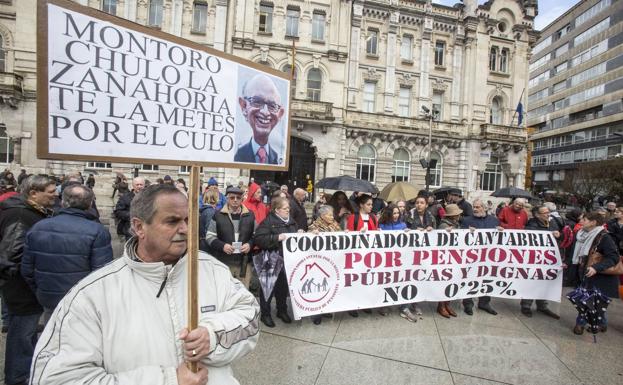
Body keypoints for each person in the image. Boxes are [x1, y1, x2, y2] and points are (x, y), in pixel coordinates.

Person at [30, 184, 259, 385]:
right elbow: (56, 377)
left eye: (188, 220)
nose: (184, 229)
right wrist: (168, 380)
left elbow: (250, 317)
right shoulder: (92, 294)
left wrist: (214, 335)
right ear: (139, 227)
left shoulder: (213, 270)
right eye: (172, 221)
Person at [21, 184, 113, 322]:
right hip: (82, 300)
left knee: (52, 336)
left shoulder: (39, 227)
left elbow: (27, 269)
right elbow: (102, 273)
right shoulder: (98, 231)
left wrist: (41, 291)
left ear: (63, 202)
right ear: (89, 204)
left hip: (50, 297)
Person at [0, 175, 56, 385]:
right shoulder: (21, 214)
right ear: (33, 193)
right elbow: (12, 256)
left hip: (25, 285)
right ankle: (17, 378)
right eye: (50, 192)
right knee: (22, 334)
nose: (55, 195)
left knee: (27, 333)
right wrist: (32, 280)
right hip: (21, 286)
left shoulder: (31, 212)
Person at [572, 211, 620, 334]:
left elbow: (613, 257)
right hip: (583, 273)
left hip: (599, 277)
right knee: (586, 300)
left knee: (591, 302)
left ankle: (580, 324)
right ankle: (601, 323)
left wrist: (596, 268)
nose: (581, 221)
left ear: (593, 222)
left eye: (585, 219)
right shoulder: (581, 234)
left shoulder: (604, 237)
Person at [253, 197, 299, 327]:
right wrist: (276, 238)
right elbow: (259, 239)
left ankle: (282, 310)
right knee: (267, 288)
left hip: (286, 260)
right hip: (271, 259)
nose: (288, 210)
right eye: (285, 209)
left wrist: (300, 232)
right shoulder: (268, 222)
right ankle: (265, 314)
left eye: (288, 208)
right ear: (277, 210)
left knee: (282, 287)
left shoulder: (291, 221)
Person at [206, 186, 255, 287]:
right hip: (224, 262)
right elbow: (209, 236)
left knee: (243, 295)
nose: (235, 200)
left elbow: (256, 235)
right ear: (227, 198)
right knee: (224, 294)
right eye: (232, 197)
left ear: (242, 199)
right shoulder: (218, 215)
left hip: (244, 264)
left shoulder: (250, 215)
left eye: (238, 197)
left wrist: (250, 244)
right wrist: (222, 246)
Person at [460, 199, 502, 316]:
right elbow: (460, 237)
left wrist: (500, 231)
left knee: (487, 278)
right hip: (471, 257)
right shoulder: (466, 220)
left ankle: (484, 303)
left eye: (478, 207)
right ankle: (468, 304)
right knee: (469, 279)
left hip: (488, 257)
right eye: (474, 206)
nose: (475, 209)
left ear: (484, 208)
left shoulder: (494, 221)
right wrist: (466, 232)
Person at [521, 205, 561, 319]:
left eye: (548, 212)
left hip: (548, 259)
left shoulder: (552, 223)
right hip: (535, 259)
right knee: (532, 281)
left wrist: (558, 235)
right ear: (537, 215)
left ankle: (542, 306)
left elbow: (559, 237)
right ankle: (526, 306)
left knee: (545, 282)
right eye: (545, 213)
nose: (548, 214)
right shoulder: (532, 225)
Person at [235, 74, 285, 164]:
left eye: (272, 106)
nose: (265, 112)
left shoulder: (277, 158)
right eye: (257, 102)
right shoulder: (237, 155)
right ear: (243, 106)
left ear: (280, 114)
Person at [344, 194, 379, 317]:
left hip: (370, 254)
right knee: (355, 280)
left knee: (367, 279)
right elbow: (348, 236)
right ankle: (352, 305)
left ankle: (364, 303)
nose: (371, 207)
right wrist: (359, 233)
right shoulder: (353, 217)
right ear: (361, 205)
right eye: (368, 204)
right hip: (356, 254)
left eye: (371, 205)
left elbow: (376, 235)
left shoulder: (374, 217)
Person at [308, 205, 341, 325]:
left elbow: (341, 236)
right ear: (322, 216)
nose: (332, 217)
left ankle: (325, 309)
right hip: (319, 262)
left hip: (332, 261)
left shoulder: (335, 225)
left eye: (332, 215)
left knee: (328, 286)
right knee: (317, 287)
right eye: (330, 215)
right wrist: (312, 234)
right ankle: (316, 313)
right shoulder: (314, 226)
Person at [436, 204, 462, 318]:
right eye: (457, 214)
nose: (459, 215)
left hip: (454, 257)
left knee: (452, 281)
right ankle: (441, 305)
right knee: (444, 282)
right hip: (445, 258)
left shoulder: (455, 224)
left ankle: (447, 304)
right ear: (454, 215)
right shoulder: (443, 225)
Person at [113, 176, 145, 241]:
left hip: (146, 230)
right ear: (133, 186)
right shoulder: (125, 197)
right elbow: (118, 212)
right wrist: (131, 215)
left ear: (144, 185)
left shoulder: (149, 197)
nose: (139, 186)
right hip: (130, 230)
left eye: (141, 184)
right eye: (137, 185)